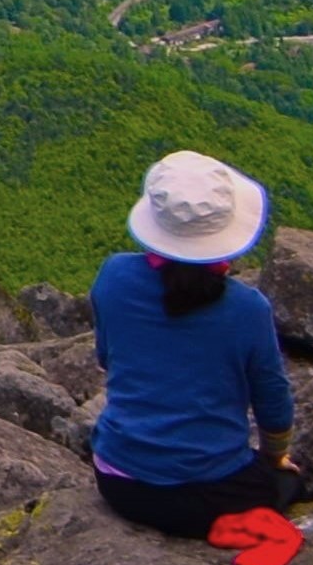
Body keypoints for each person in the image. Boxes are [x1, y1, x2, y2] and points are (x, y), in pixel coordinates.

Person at [85, 151, 296, 537]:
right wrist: (275, 457)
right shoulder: (247, 309)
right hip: (209, 494)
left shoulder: (113, 276)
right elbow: (273, 402)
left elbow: (106, 357)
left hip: (119, 482)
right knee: (288, 484)